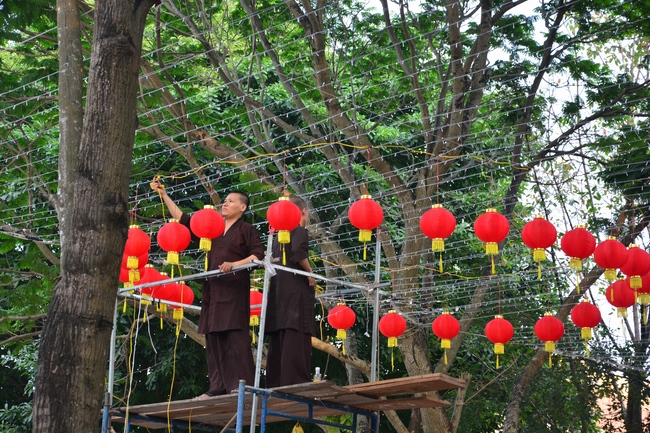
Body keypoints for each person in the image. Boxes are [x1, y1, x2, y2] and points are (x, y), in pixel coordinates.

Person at [151, 179, 264, 397]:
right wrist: (164, 196)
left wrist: (234, 264)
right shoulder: (214, 230)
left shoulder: (246, 229)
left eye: (231, 201)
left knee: (234, 338)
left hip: (233, 292)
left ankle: (242, 386)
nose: (225, 204)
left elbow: (257, 256)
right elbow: (184, 221)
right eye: (225, 200)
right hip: (212, 292)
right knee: (213, 340)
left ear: (243, 207)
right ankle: (217, 388)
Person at [265, 195, 316, 388]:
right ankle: (295, 381)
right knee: (296, 335)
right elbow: (298, 253)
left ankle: (275, 382)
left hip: (279, 294)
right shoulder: (299, 230)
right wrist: (310, 273)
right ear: (303, 211)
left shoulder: (277, 237)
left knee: (279, 339)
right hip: (295, 293)